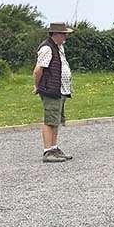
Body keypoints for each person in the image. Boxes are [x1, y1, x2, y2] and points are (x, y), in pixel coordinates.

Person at [33, 22, 74, 163]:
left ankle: (54, 148)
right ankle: (47, 151)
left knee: (55, 120)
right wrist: (37, 86)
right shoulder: (47, 48)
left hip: (60, 89)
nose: (66, 36)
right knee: (49, 120)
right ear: (56, 34)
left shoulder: (58, 47)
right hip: (51, 89)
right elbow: (38, 70)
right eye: (64, 34)